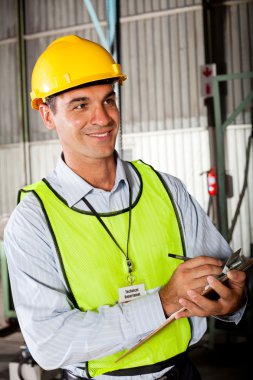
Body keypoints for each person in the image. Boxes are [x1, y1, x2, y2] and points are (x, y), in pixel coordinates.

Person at [4, 35, 246, 380]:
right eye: (80, 105)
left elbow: (226, 278)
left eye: (108, 100)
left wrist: (233, 302)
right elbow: (50, 344)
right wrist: (161, 302)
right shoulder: (34, 220)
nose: (102, 118)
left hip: (182, 372)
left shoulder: (167, 190)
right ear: (47, 115)